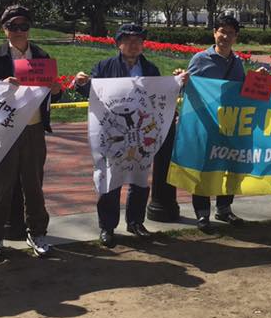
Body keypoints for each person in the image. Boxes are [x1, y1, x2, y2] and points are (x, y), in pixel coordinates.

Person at [73, 23, 186, 248]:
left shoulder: (151, 69)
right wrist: (81, 83)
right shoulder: (104, 67)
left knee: (140, 179)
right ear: (119, 43)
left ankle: (135, 222)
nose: (134, 45)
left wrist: (177, 83)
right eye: (128, 40)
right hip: (113, 133)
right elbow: (93, 94)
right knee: (110, 180)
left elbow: (160, 97)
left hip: (139, 133)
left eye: (138, 40)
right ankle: (107, 227)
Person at [0, 5, 61, 259]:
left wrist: (56, 90)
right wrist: (0, 87)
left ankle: (37, 232)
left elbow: (52, 96)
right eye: (13, 26)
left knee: (34, 184)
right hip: (3, 131)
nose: (19, 31)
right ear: (4, 29)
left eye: (23, 26)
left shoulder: (42, 57)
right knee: (0, 185)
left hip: (34, 130)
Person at [186, 13, 249, 232]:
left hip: (230, 124)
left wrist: (255, 80)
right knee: (204, 168)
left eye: (230, 33)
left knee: (228, 166)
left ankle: (224, 208)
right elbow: (189, 89)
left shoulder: (238, 63)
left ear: (236, 37)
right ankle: (202, 214)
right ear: (214, 33)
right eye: (222, 32)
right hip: (206, 123)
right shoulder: (200, 60)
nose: (225, 36)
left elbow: (241, 91)